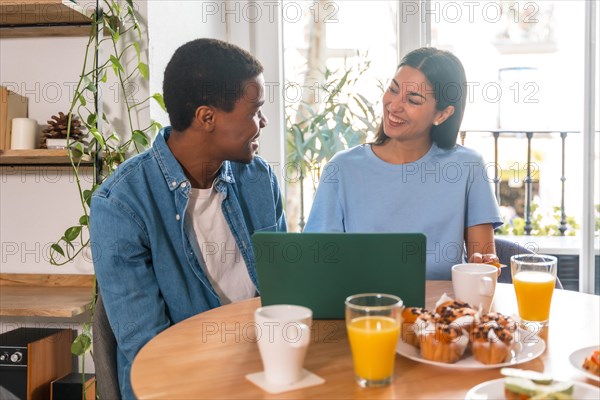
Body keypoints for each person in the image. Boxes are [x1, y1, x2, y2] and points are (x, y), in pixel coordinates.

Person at [90, 38, 286, 398]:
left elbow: (286, 293)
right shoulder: (120, 204)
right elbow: (148, 347)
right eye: (254, 110)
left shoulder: (259, 179)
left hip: (263, 372)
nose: (264, 121)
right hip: (181, 384)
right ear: (207, 117)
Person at [305, 47, 502, 279]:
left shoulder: (468, 167)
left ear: (442, 114)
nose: (394, 105)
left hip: (440, 312)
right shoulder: (342, 169)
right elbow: (318, 268)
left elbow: (483, 271)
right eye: (393, 89)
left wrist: (484, 267)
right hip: (364, 312)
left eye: (413, 100)